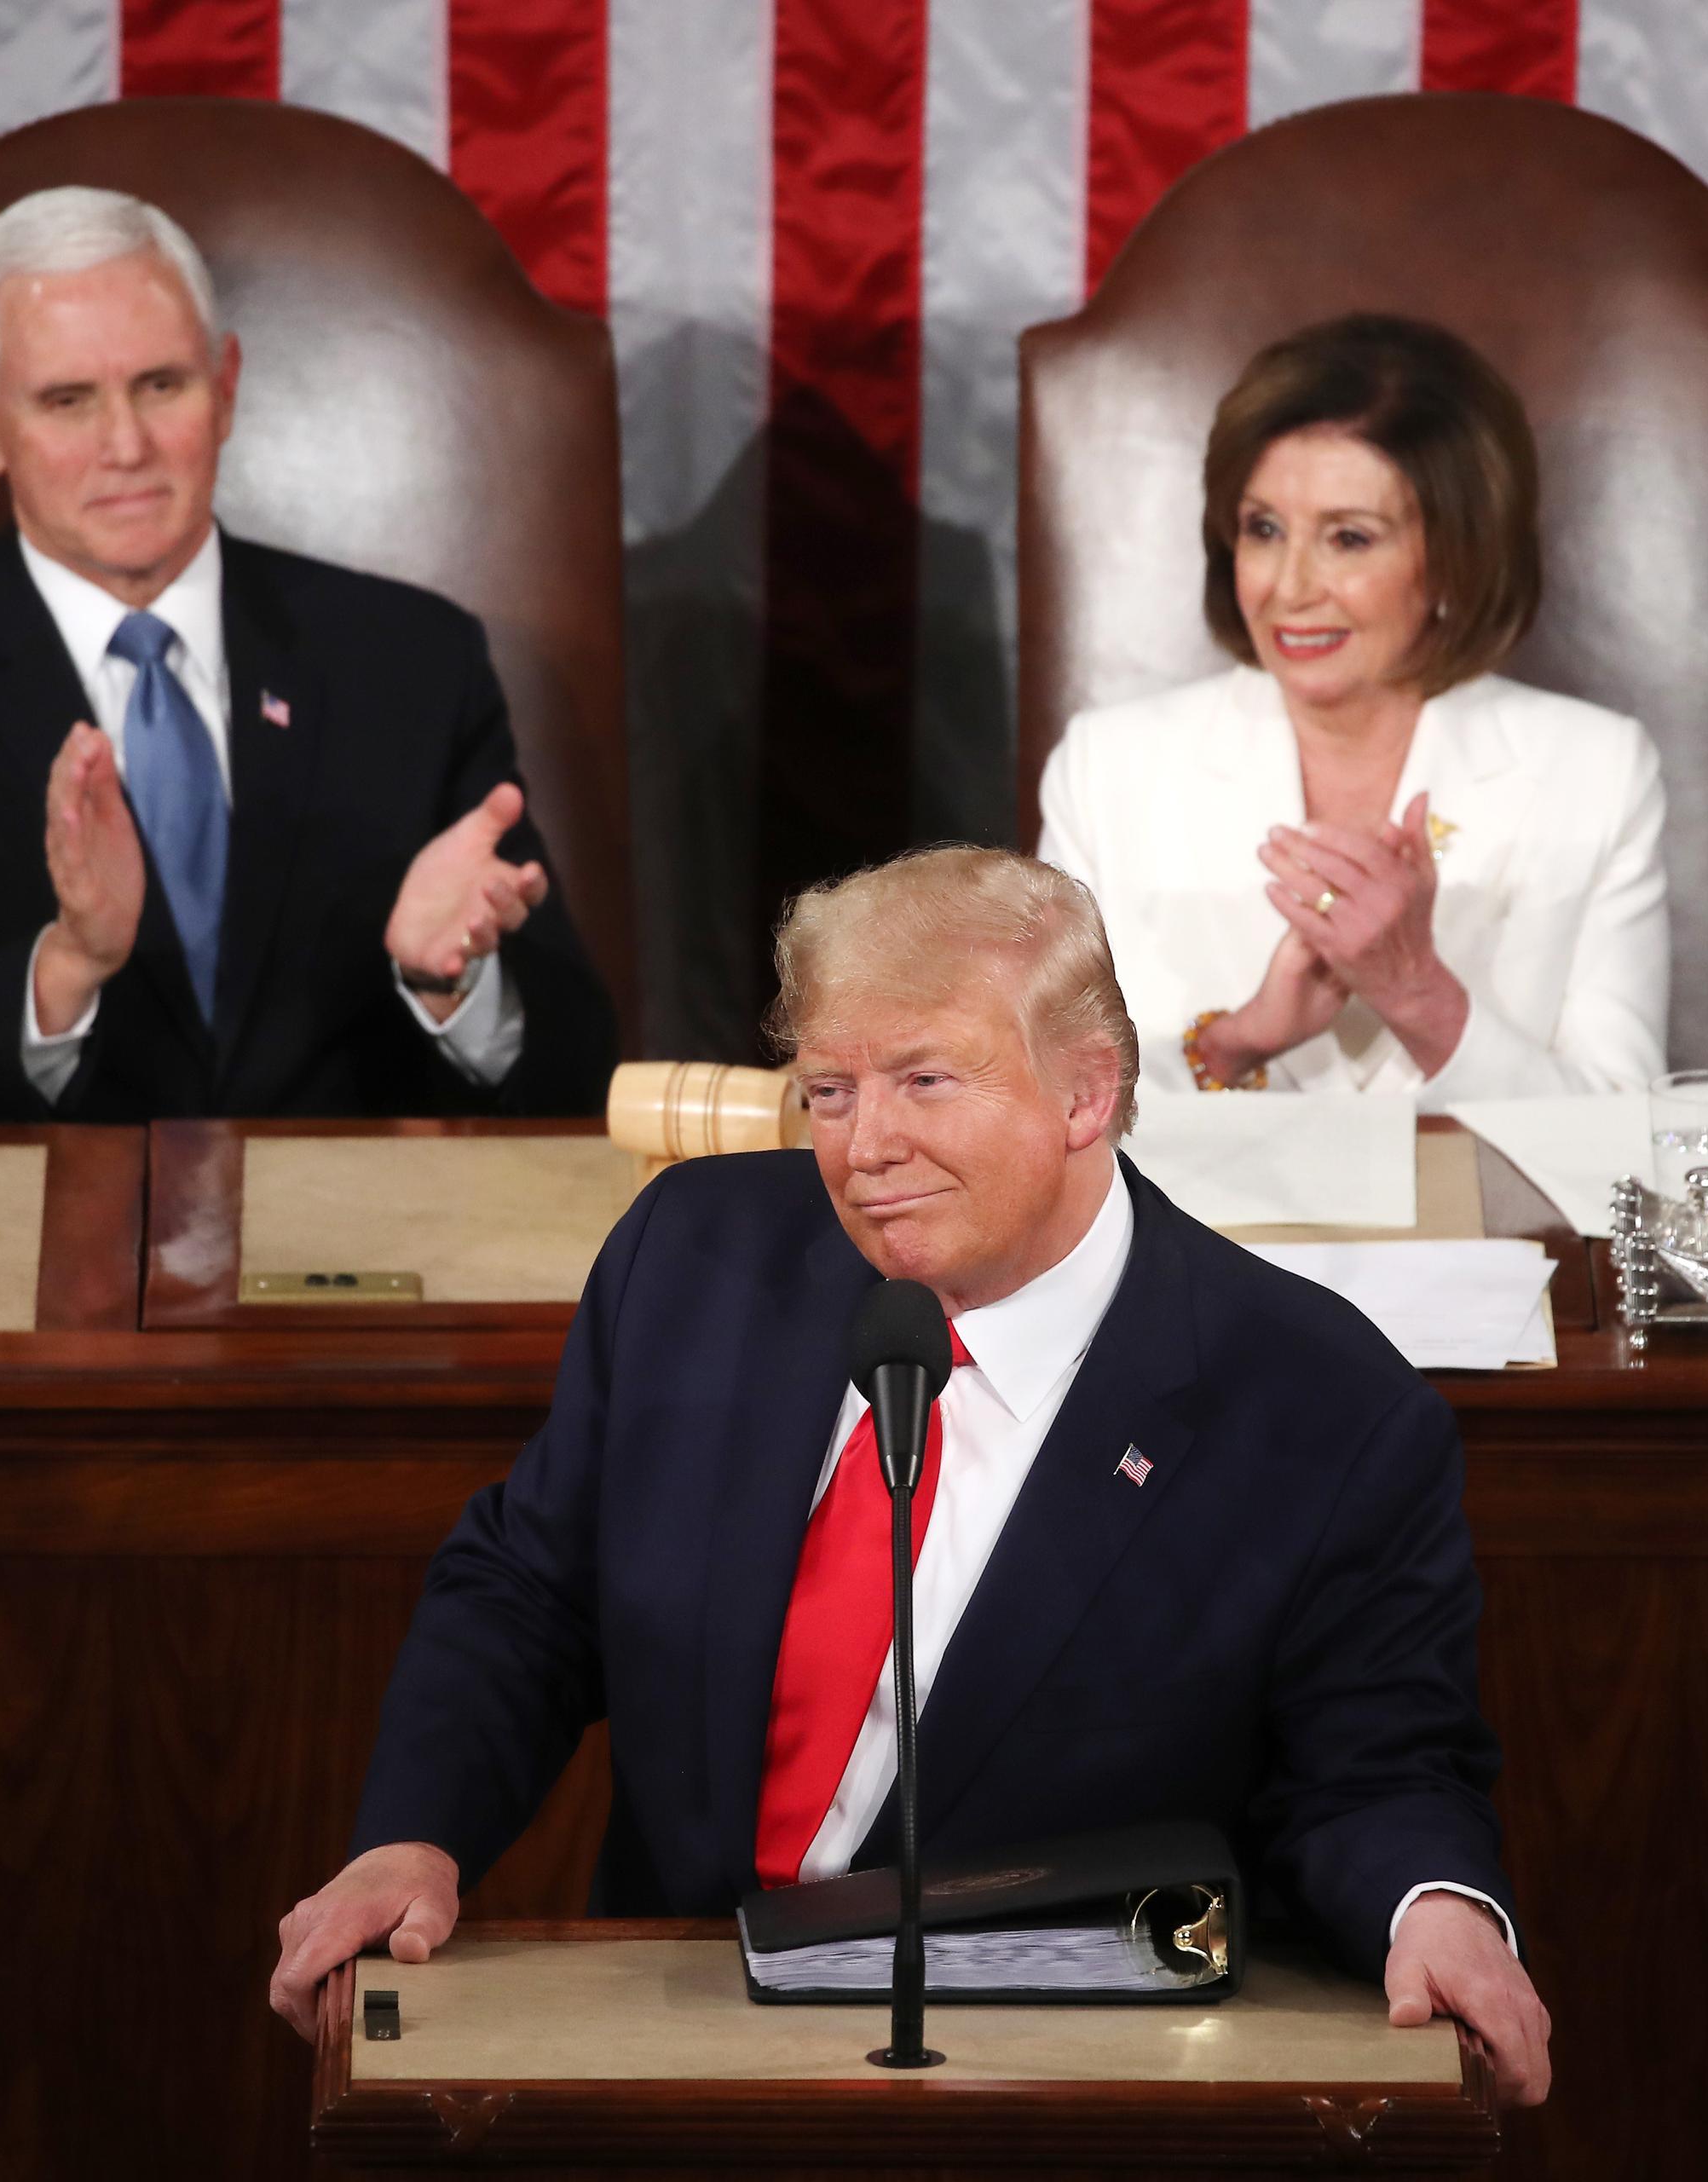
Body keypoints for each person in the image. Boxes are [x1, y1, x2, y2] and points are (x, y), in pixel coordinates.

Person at [265, 846, 1553, 2105]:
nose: (864, 1146)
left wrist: (1433, 1910)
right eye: (829, 1090)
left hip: (1065, 2092)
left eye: (925, 1081)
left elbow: (1380, 1766)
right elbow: (531, 1588)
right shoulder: (694, 1260)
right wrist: (412, 1835)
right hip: (672, 2047)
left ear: (1085, 1095)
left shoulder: (1317, 1405)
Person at [0, 186, 616, 1121]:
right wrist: (62, 971)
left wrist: (455, 988)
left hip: (350, 1251)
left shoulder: (411, 664)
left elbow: (577, 1073)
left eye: (162, 386)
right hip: (17, 1255)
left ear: (226, 386)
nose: (127, 445)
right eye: (68, 400)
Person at [1036, 313, 1665, 1113]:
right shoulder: (1107, 770)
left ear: (1455, 559)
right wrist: (1241, 1040)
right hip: (1203, 1233)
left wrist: (1418, 994)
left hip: (1495, 1233)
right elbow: (1047, 1104)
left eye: (1349, 539)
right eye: (1264, 529)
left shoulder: (1597, 770)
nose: (1289, 586)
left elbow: (1623, 1132)